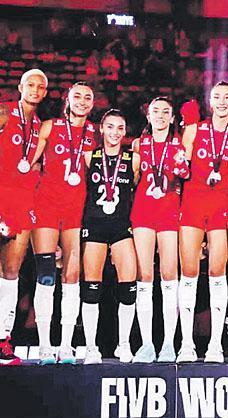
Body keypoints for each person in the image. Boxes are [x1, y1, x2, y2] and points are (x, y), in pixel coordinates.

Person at [178, 82, 228, 363]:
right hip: (193, 205)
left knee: (218, 272)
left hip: (221, 207)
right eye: (217, 97)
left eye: (227, 97)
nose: (222, 102)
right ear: (210, 100)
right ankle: (186, 344)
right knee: (189, 272)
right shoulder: (194, 130)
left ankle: (215, 344)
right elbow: (181, 168)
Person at [31, 82, 96, 365]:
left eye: (87, 97)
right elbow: (29, 162)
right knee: (46, 274)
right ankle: (45, 345)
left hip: (75, 210)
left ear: (93, 103)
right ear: (68, 99)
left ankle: (66, 345)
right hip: (46, 205)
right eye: (77, 96)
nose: (82, 101)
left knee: (72, 275)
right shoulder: (49, 126)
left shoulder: (94, 132)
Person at [130, 97, 189, 363]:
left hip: (169, 212)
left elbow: (187, 177)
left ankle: (167, 343)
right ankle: (146, 344)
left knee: (169, 275)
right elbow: (133, 181)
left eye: (166, 112)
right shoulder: (138, 144)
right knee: (144, 276)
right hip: (143, 212)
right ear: (148, 115)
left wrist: (182, 165)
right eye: (156, 111)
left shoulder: (180, 145)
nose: (161, 116)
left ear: (172, 117)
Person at [79, 109, 140, 364]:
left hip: (121, 226)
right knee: (91, 289)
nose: (115, 132)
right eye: (111, 127)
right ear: (101, 129)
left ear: (125, 132)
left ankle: (123, 345)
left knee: (129, 287)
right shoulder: (88, 157)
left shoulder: (133, 159)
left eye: (120, 128)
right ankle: (91, 347)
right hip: (94, 225)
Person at [0, 69, 47, 366]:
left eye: (40, 87)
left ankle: (2, 339)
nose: (35, 90)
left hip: (22, 202)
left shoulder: (41, 126)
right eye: (31, 84)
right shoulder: (4, 113)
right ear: (20, 87)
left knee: (11, 272)